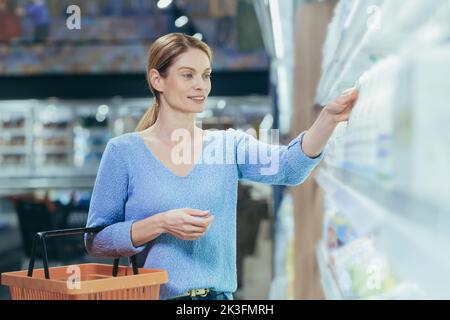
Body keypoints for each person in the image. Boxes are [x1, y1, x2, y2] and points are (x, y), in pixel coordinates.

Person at [85, 33, 359, 300]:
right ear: (158, 80)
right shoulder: (123, 152)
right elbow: (96, 240)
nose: (201, 85)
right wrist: (160, 223)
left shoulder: (228, 145)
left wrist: (328, 119)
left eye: (206, 75)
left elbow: (290, 168)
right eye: (187, 74)